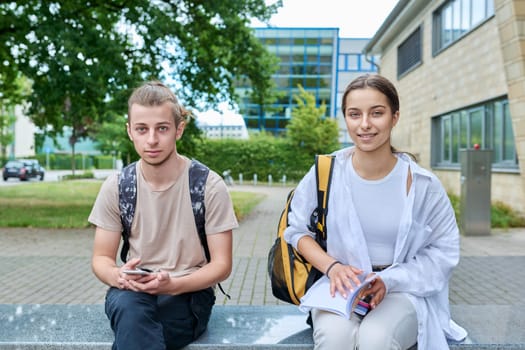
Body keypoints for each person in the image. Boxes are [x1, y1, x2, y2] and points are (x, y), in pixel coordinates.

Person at [284, 74, 467, 350]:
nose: (365, 124)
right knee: (334, 339)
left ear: (394, 117)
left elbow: (443, 253)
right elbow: (297, 231)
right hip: (340, 288)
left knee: (376, 339)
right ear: (345, 118)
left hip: (402, 289)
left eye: (377, 113)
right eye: (354, 114)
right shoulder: (325, 172)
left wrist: (389, 279)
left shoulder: (423, 186)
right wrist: (332, 267)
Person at [89, 81, 238, 350]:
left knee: (137, 327)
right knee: (131, 310)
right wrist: (118, 277)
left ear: (178, 130)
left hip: (189, 293)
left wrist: (173, 285)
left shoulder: (208, 185)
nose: (152, 140)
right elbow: (101, 258)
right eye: (142, 129)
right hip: (131, 292)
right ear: (130, 132)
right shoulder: (118, 186)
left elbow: (221, 265)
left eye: (162, 129)